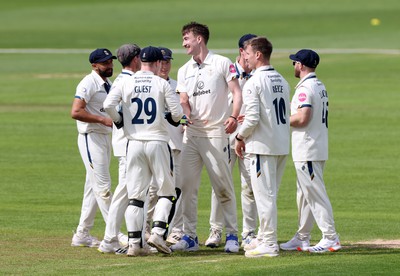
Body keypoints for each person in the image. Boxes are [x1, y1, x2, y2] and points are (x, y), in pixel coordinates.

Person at [103, 46, 187, 257]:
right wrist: (171, 118)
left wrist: (120, 120)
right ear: (158, 63)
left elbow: (107, 105)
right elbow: (177, 114)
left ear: (141, 61)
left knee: (136, 197)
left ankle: (134, 245)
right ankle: (158, 232)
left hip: (133, 143)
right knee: (167, 192)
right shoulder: (161, 83)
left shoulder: (125, 81)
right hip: (158, 141)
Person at [170, 21, 242, 253]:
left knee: (222, 184)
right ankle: (190, 236)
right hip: (191, 134)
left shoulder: (222, 63)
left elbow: (236, 92)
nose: (184, 44)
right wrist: (186, 115)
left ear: (199, 39)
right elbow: (183, 100)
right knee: (186, 186)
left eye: (186, 39)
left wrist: (233, 116)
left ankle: (232, 234)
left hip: (215, 133)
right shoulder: (184, 70)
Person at [280, 49, 341, 253]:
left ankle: (330, 237)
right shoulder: (319, 85)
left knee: (315, 194)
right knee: (304, 194)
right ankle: (302, 236)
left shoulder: (305, 88)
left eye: (294, 63)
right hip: (316, 146)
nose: (294, 66)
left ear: (301, 65)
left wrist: (277, 122)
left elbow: (302, 118)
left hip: (307, 148)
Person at [235, 36, 290, 258]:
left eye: (247, 53)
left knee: (264, 197)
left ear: (258, 54)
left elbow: (252, 118)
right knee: (270, 195)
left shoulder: (254, 82)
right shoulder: (282, 80)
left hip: (262, 147)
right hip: (280, 144)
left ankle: (269, 243)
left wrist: (240, 137)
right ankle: (263, 236)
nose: (244, 57)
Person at [205, 34, 259, 249]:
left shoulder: (258, 74)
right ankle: (216, 230)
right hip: (225, 135)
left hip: (249, 137)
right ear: (241, 52)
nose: (253, 56)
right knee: (220, 184)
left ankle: (248, 233)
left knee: (250, 186)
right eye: (250, 52)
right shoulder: (225, 71)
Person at [98, 43, 142, 254]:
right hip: (127, 144)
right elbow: (108, 105)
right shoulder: (127, 81)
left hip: (127, 144)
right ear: (135, 59)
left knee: (127, 191)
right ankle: (109, 239)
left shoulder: (122, 80)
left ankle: (123, 237)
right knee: (124, 192)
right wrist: (119, 121)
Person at [70, 48, 116, 247]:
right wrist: (101, 120)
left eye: (111, 61)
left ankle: (82, 234)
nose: (110, 65)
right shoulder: (88, 82)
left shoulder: (108, 84)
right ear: (94, 65)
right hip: (91, 138)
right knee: (104, 187)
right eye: (105, 63)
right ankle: (114, 236)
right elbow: (76, 111)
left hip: (105, 138)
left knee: (93, 188)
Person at [145, 47, 185, 245]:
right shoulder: (150, 85)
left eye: (168, 61)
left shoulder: (178, 86)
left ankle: (175, 230)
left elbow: (184, 112)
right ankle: (147, 229)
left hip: (175, 145)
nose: (165, 65)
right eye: (162, 61)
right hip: (155, 144)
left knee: (175, 190)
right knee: (152, 191)